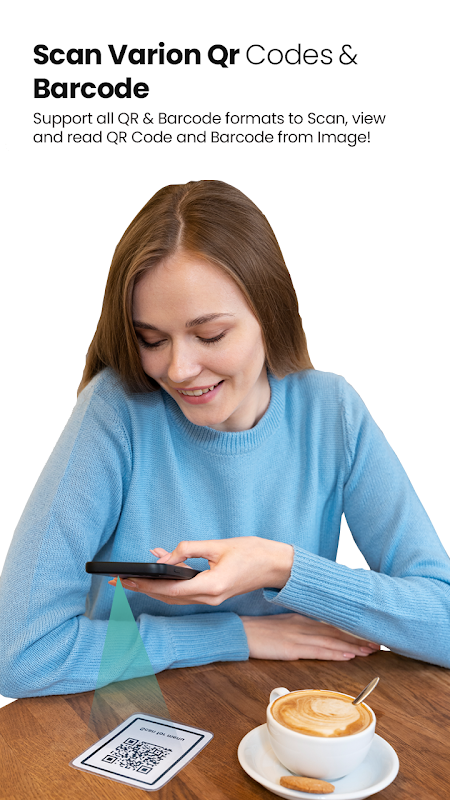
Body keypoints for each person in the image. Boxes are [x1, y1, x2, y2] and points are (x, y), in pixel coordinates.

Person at [1, 180, 449, 699]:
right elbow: (23, 655)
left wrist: (279, 565)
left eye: (209, 335)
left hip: (278, 714)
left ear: (269, 314)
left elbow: (441, 619)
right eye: (152, 339)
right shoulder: (116, 411)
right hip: (133, 712)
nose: (178, 369)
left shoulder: (331, 412)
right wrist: (237, 635)